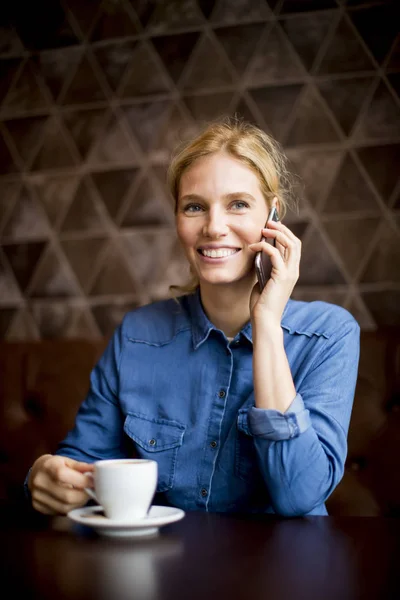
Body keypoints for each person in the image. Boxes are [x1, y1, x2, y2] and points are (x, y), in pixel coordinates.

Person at [26, 117, 360, 517]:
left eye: (238, 204)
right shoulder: (138, 334)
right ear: (178, 219)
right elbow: (82, 463)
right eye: (195, 207)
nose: (214, 227)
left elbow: (299, 496)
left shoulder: (329, 335)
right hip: (162, 570)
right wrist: (46, 478)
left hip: (282, 573)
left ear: (272, 218)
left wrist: (267, 324)